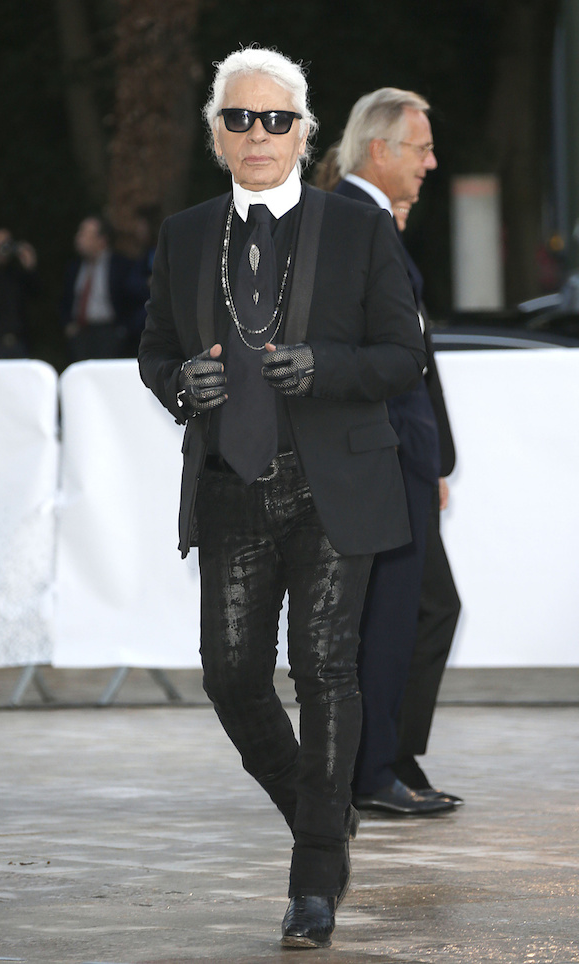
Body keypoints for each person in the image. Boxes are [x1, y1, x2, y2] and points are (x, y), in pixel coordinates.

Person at [139, 47, 426, 949]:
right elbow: (154, 348)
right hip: (230, 484)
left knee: (324, 672)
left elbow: (403, 356)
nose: (257, 134)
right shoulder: (187, 234)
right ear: (217, 134)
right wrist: (179, 382)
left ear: (303, 133)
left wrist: (326, 367)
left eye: (275, 119)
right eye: (239, 118)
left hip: (334, 485)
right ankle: (324, 812)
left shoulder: (358, 230)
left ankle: (313, 880)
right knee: (231, 678)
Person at [334, 88, 462, 816]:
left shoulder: (372, 221)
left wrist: (435, 458)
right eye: (422, 147)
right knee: (388, 615)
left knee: (425, 607)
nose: (431, 162)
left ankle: (391, 757)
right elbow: (373, 354)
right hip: (383, 455)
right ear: (379, 150)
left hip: (403, 454)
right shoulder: (355, 222)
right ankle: (372, 770)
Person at [60, 215, 149, 362]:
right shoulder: (74, 267)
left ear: (101, 240)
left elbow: (136, 299)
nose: (78, 238)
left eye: (84, 234)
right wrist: (68, 325)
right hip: (81, 334)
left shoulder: (121, 266)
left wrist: (124, 330)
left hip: (110, 333)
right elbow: (65, 300)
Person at [0, 227, 38, 358]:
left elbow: (36, 294)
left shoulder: (16, 274)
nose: (3, 249)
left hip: (18, 342)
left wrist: (29, 266)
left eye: (7, 244)